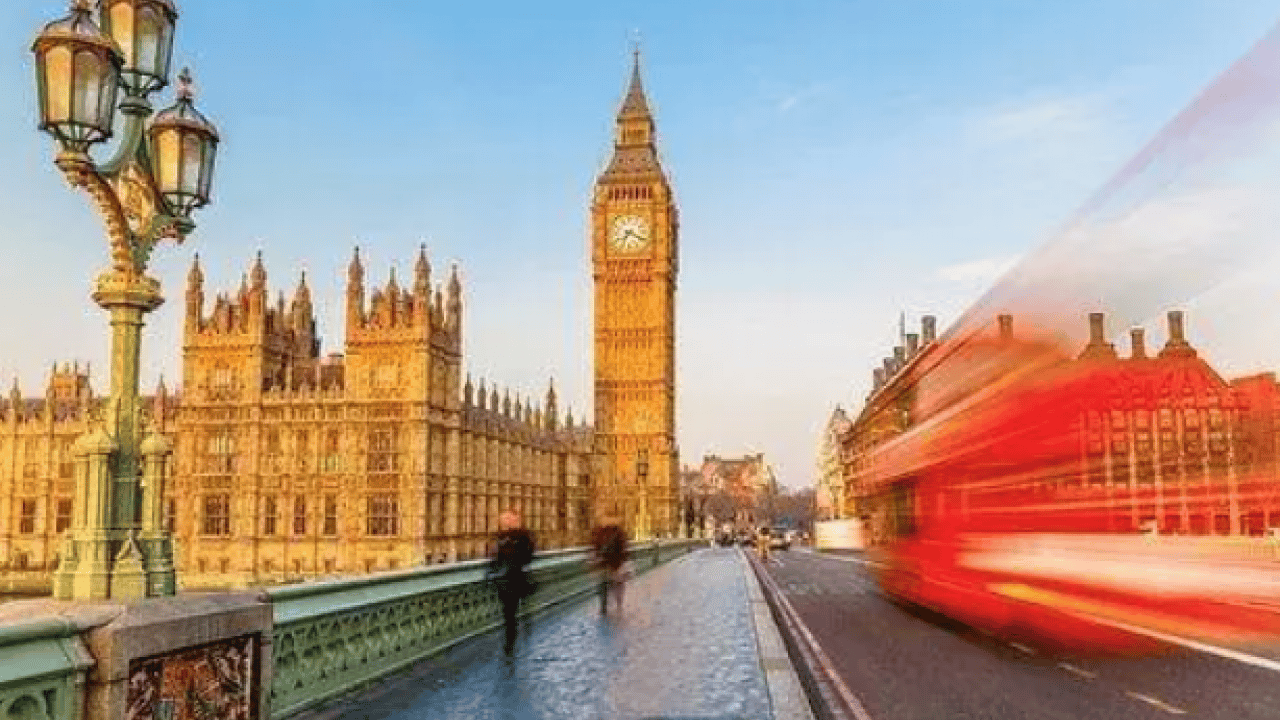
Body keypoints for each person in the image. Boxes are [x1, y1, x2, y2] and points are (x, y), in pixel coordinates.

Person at [487, 509, 536, 654]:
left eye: (508, 519)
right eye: (503, 519)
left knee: (513, 611)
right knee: (509, 612)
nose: (504, 522)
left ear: (517, 520)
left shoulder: (524, 536)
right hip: (503, 580)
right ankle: (510, 640)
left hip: (517, 578)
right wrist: (491, 571)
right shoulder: (499, 536)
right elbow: (494, 557)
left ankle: (510, 643)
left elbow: (528, 555)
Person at [590, 516, 629, 615]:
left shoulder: (600, 531)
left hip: (603, 563)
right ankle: (618, 602)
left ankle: (603, 605)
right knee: (617, 584)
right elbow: (624, 548)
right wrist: (622, 562)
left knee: (602, 584)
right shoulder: (619, 532)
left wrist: (596, 558)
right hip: (615, 564)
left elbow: (595, 546)